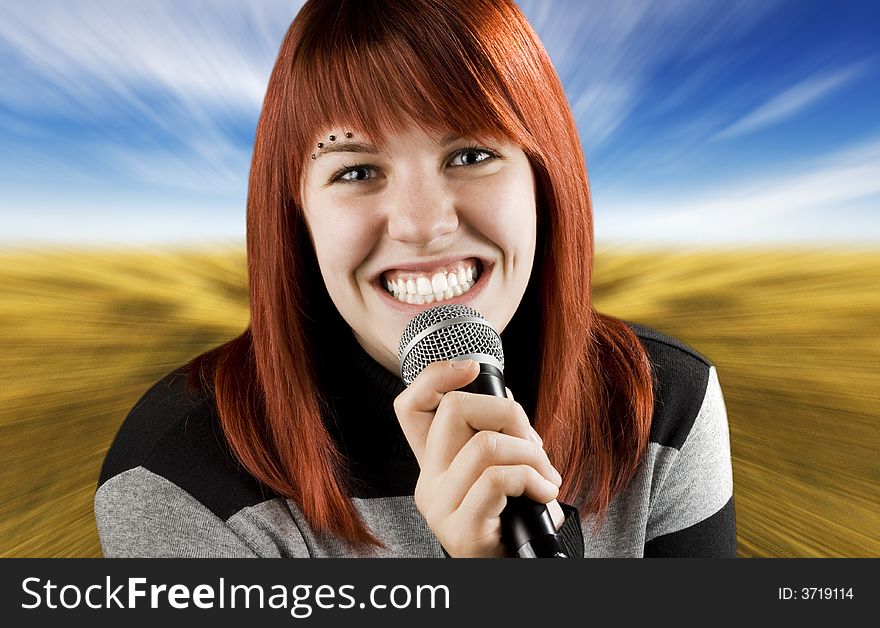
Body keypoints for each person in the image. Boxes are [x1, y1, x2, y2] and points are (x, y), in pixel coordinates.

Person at [95, 0, 735, 558]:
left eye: (471, 155)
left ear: (545, 181)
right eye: (355, 171)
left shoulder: (663, 405)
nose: (423, 225)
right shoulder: (180, 474)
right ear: (295, 215)